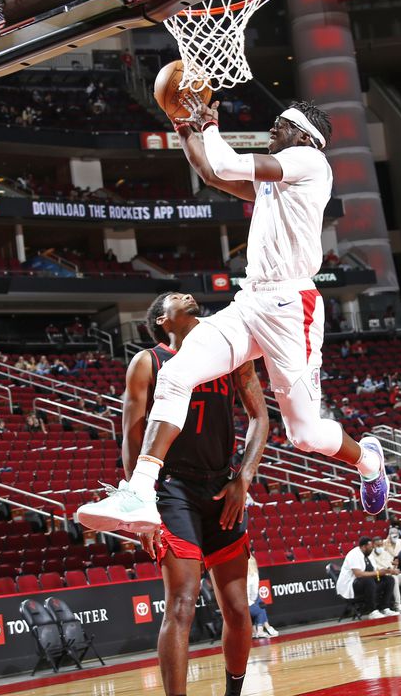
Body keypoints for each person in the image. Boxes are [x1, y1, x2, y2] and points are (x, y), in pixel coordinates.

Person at [77, 100, 390, 535]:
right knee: (176, 375)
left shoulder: (310, 160)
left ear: (303, 136)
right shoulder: (275, 182)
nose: (270, 131)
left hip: (289, 306)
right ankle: (141, 492)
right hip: (250, 301)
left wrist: (210, 123)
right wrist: (183, 126)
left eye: (279, 125)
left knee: (305, 435)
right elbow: (211, 172)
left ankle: (369, 461)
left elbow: (224, 159)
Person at [115, 292, 269, 696]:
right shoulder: (148, 362)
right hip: (173, 488)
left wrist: (245, 477)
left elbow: (260, 416)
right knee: (181, 603)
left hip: (223, 487)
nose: (187, 295)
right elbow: (132, 438)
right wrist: (140, 505)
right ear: (163, 320)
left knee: (237, 607)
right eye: (174, 298)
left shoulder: (231, 352)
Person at [336, 536, 396, 619]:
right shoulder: (354, 554)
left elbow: (374, 570)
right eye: (370, 547)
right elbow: (358, 574)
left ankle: (385, 608)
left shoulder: (368, 554)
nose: (372, 548)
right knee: (368, 581)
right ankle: (372, 611)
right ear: (364, 547)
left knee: (389, 579)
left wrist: (386, 571)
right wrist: (378, 572)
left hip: (364, 584)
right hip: (350, 585)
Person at [369, 536, 401, 612]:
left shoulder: (385, 553)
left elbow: (391, 566)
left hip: (390, 574)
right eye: (378, 545)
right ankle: (397, 605)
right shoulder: (370, 555)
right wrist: (390, 571)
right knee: (393, 578)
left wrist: (395, 566)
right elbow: (376, 569)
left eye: (381, 545)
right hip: (381, 577)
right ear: (373, 545)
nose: (380, 547)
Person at [246, 552, 276, 639]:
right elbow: (254, 594)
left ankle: (256, 631)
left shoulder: (243, 575)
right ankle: (261, 630)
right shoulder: (253, 575)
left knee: (259, 602)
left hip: (240, 604)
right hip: (246, 603)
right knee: (260, 609)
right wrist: (253, 601)